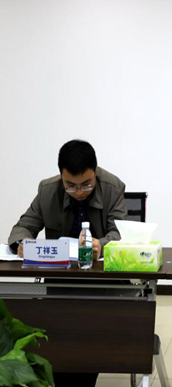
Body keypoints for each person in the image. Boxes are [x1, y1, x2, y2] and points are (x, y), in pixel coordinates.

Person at [7, 140, 127, 387]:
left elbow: (121, 233)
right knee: (56, 333)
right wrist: (21, 242)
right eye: (70, 185)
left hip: (102, 285)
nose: (79, 191)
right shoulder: (47, 190)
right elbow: (24, 225)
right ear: (61, 175)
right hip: (60, 282)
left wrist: (102, 245)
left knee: (86, 336)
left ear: (95, 171)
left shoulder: (113, 187)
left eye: (86, 184)